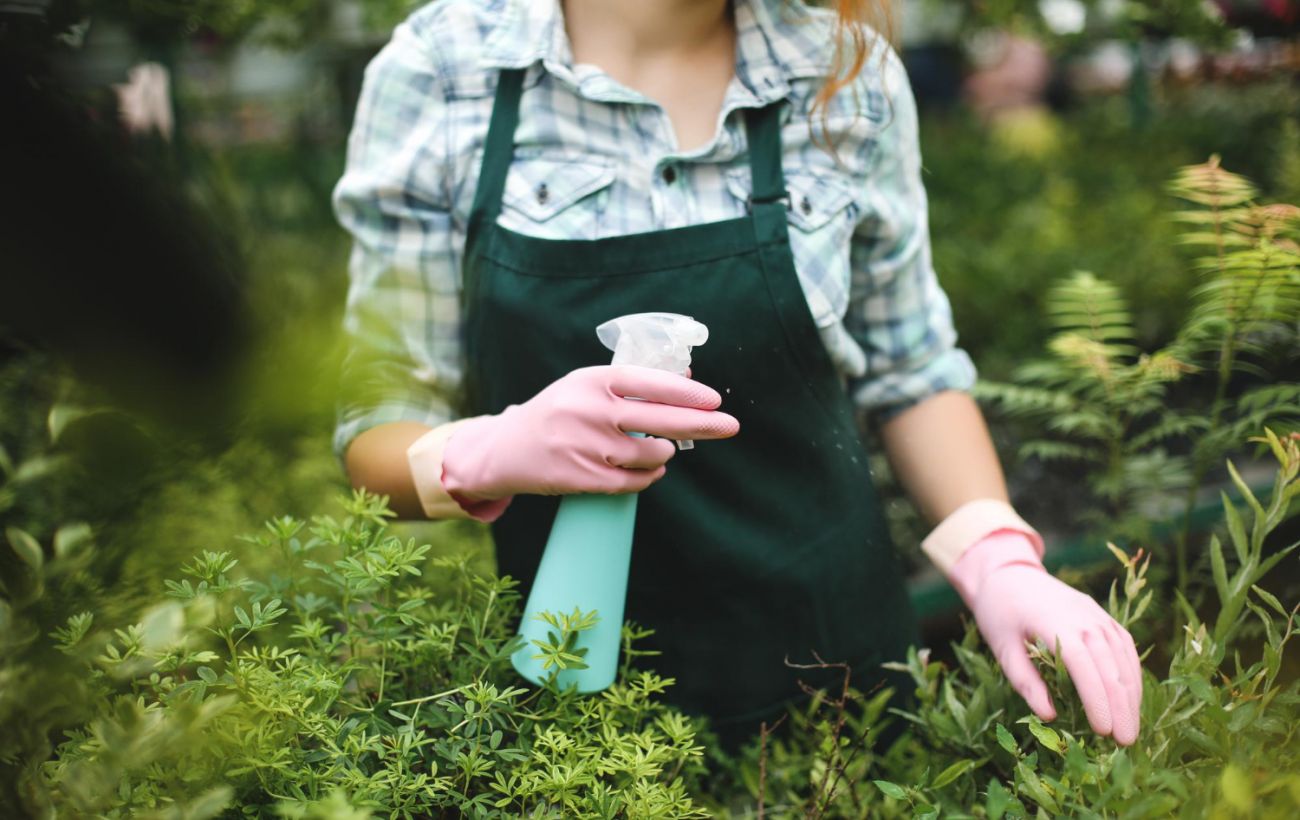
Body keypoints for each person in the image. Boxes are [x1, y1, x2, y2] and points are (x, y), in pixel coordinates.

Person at [332, 0, 1141, 746]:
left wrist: (998, 557)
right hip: (578, 725)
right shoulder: (444, 70)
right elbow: (373, 433)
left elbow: (911, 368)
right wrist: (487, 450)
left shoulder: (844, 75)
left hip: (838, 694)